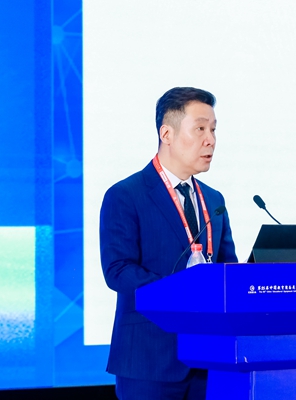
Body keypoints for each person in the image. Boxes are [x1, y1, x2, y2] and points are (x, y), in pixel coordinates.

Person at [99, 87, 238, 399]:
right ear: (167, 134)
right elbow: (118, 270)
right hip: (149, 361)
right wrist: (181, 291)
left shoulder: (214, 200)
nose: (210, 140)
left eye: (214, 130)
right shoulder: (126, 195)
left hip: (210, 359)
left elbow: (228, 268)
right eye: (200, 129)